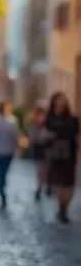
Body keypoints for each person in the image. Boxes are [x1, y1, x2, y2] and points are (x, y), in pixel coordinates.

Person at [41, 92, 79, 224]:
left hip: (70, 154)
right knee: (59, 183)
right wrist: (47, 136)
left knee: (69, 184)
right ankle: (61, 209)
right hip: (55, 155)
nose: (61, 103)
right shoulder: (49, 119)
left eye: (63, 100)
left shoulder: (72, 119)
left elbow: (76, 136)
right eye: (58, 101)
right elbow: (43, 136)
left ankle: (64, 208)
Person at [27, 105, 51, 200]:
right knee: (41, 168)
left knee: (47, 168)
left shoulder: (48, 123)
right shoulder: (34, 124)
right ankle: (39, 187)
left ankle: (46, 185)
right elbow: (34, 137)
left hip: (48, 149)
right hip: (39, 148)